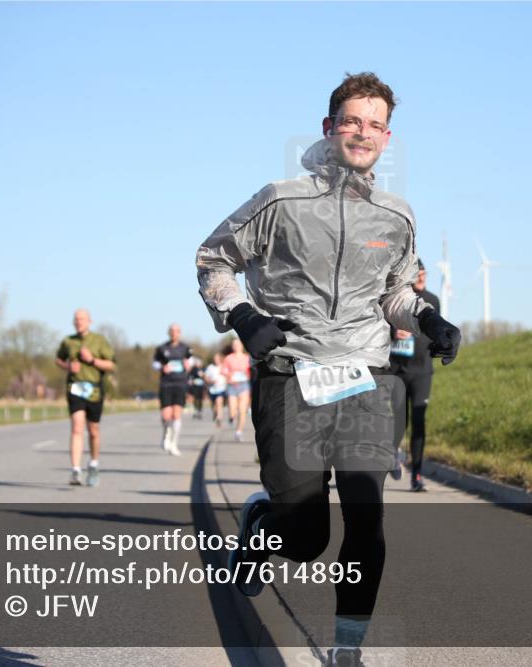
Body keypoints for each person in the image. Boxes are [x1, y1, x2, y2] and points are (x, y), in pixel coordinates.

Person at [196, 72, 460, 667]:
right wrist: (241, 314)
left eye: (376, 125)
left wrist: (428, 318)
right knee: (306, 537)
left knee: (367, 518)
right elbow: (214, 258)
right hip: (292, 374)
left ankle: (348, 648)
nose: (363, 133)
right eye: (352, 121)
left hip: (367, 377)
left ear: (387, 138)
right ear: (329, 127)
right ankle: (265, 522)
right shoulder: (280, 200)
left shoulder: (396, 216)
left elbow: (394, 293)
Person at [389, 259, 441, 491]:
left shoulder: (433, 301)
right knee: (400, 420)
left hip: (422, 371)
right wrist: (393, 332)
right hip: (397, 371)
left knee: (419, 422)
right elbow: (382, 325)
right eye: (418, 274)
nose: (422, 277)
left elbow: (435, 331)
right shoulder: (398, 300)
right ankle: (392, 455)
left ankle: (417, 476)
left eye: (424, 273)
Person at [54, 308, 116, 487]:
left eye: (82, 319)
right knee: (77, 427)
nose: (79, 322)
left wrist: (92, 360)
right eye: (76, 319)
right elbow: (58, 359)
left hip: (94, 390)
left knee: (93, 430)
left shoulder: (99, 341)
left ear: (89, 321)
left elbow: (111, 365)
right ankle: (75, 470)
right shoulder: (68, 341)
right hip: (75, 388)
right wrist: (67, 366)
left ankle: (94, 463)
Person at [152, 323, 193, 456]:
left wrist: (188, 364)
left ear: (180, 333)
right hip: (166, 383)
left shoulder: (185, 348)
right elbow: (154, 363)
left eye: (177, 331)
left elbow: (192, 361)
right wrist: (161, 367)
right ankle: (166, 433)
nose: (174, 333)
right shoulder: (162, 348)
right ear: (169, 333)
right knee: (166, 416)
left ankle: (174, 443)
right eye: (172, 331)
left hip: (180, 383)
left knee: (176, 415)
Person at [221, 338, 252, 441]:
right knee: (233, 410)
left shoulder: (247, 358)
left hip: (244, 385)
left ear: (242, 345)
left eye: (238, 344)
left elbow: (251, 370)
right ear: (232, 347)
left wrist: (248, 373)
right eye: (234, 345)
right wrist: (228, 374)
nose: (236, 346)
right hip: (232, 386)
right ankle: (231, 417)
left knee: (242, 410)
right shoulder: (228, 358)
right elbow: (223, 370)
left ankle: (239, 432)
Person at [204, 352, 228, 427]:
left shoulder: (224, 366)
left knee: (219, 402)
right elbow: (206, 377)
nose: (216, 360)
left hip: (221, 388)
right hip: (212, 389)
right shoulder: (210, 367)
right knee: (214, 405)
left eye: (217, 358)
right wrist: (210, 381)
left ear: (220, 359)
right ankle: (215, 412)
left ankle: (219, 419)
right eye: (215, 359)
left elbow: (228, 375)